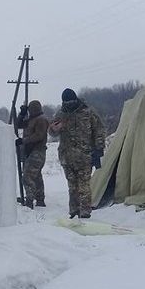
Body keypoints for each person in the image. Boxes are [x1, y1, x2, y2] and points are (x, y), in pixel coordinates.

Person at [49, 88, 105, 219]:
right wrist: (54, 129)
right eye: (66, 102)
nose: (68, 105)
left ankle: (85, 212)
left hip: (84, 156)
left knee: (84, 186)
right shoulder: (60, 114)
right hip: (67, 157)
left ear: (76, 100)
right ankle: (74, 211)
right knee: (72, 186)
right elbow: (51, 132)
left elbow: (99, 130)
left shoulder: (88, 112)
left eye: (70, 102)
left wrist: (99, 149)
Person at [17, 100, 50, 209]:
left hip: (37, 151)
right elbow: (17, 125)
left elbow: (39, 136)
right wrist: (22, 114)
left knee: (27, 176)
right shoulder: (30, 119)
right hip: (30, 151)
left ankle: (30, 200)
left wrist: (23, 140)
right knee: (36, 176)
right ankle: (40, 200)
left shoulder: (41, 120)